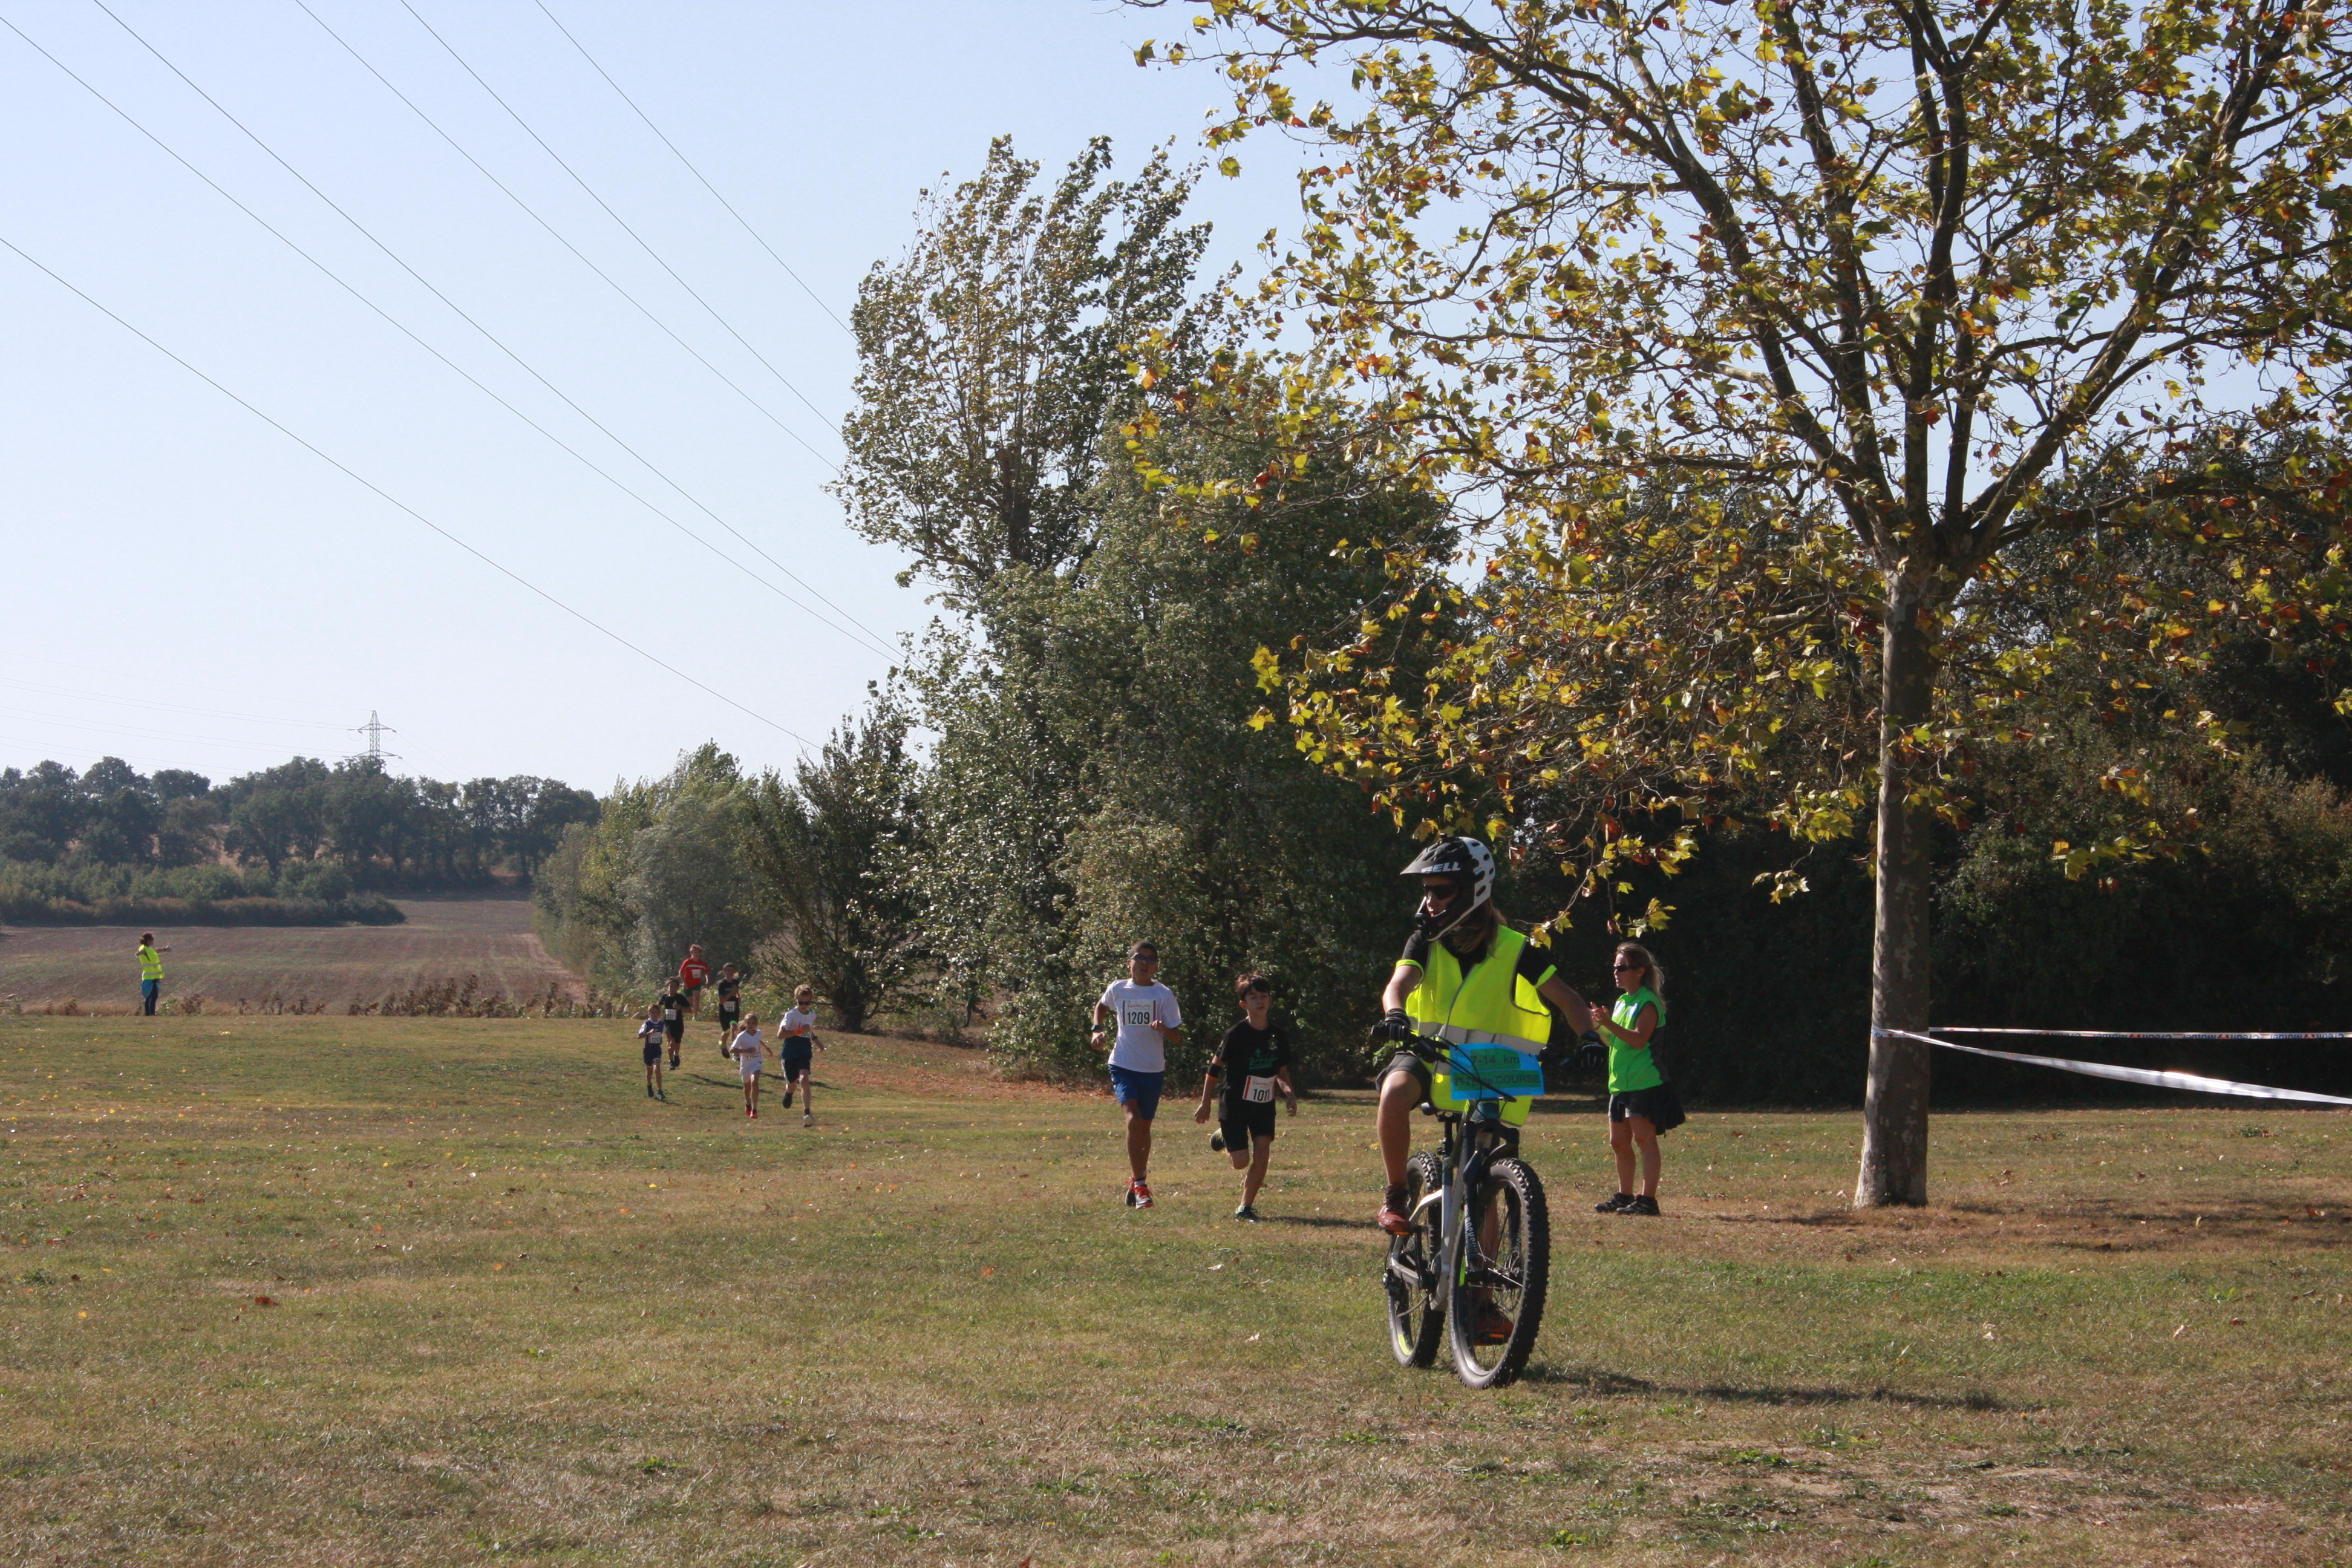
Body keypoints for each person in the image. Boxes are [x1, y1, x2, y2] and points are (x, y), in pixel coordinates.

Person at [1370, 837, 1594, 1224]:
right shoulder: (1426, 940)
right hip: (1428, 1051)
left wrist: (1589, 1038)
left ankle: (1482, 1281)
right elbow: (1398, 985)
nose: (1430, 901)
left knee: (1483, 1182)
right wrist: (1395, 1015)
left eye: (1441, 891)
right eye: (1427, 891)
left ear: (1473, 891)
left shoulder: (1516, 949)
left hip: (1490, 1069)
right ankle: (1397, 1193)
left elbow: (1569, 1000)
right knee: (1393, 1093)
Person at [1194, 972, 1298, 1221]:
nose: (1260, 1002)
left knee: (1263, 1153)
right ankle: (1224, 1137)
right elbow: (1214, 1069)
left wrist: (1289, 1093)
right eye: (1254, 997)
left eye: (1264, 996)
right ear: (1244, 1004)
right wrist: (1206, 1102)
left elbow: (1281, 1071)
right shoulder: (1236, 1034)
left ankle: (1245, 1207)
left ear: (1270, 1000)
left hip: (1263, 1104)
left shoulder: (1277, 1035)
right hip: (1235, 1103)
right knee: (1241, 1162)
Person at [1592, 942, 1684, 1215]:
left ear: (1640, 971)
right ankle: (1624, 1195)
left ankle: (1648, 1201)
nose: (1616, 972)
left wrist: (1609, 1024)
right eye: (1615, 967)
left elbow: (1638, 1039)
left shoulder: (1648, 1002)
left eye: (1622, 968)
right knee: (1618, 1142)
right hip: (1620, 1084)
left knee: (1645, 1141)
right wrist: (1598, 1026)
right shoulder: (1622, 1002)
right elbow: (1614, 1041)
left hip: (1645, 1083)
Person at [1091, 941, 1183, 1209]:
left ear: (1156, 966)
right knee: (1133, 1120)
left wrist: (1164, 1029)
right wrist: (1097, 1029)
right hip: (1122, 1064)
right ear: (1128, 963)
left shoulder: (1164, 995)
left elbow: (1177, 1037)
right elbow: (1101, 1006)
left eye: (1151, 959)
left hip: (1152, 1069)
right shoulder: (1118, 988)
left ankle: (1135, 1180)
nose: (1144, 963)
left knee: (1144, 1128)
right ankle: (1142, 1184)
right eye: (1139, 958)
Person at [777, 985, 823, 1126]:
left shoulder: (812, 1015)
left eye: (807, 1003)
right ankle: (789, 1093)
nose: (804, 1006)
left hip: (804, 1052)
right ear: (796, 1000)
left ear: (811, 1002)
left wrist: (817, 1041)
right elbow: (780, 1035)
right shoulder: (791, 1015)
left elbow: (809, 1030)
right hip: (790, 1053)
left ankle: (807, 1112)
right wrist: (798, 1031)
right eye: (801, 1003)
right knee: (792, 1084)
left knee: (804, 1079)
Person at [729, 1013, 767, 1119]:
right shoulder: (742, 1036)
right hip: (746, 1064)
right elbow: (732, 1049)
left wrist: (767, 1048)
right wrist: (746, 1051)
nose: (751, 1025)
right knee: (747, 1087)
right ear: (745, 1024)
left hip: (757, 1063)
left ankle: (754, 1110)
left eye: (753, 1023)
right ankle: (748, 1103)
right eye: (749, 1023)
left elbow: (758, 1041)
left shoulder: (759, 1033)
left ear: (756, 1024)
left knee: (755, 1081)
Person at [713, 962, 750, 1059]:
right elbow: (721, 1001)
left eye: (732, 971)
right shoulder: (722, 984)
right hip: (724, 1011)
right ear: (724, 972)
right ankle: (723, 1045)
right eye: (728, 971)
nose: (730, 973)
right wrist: (731, 992)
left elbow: (737, 993)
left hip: (734, 1010)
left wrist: (738, 997)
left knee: (734, 1029)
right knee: (727, 1031)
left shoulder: (735, 982)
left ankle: (735, 1052)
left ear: (734, 972)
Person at [637, 1003, 668, 1100]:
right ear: (649, 1014)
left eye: (657, 1013)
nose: (655, 1015)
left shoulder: (661, 1024)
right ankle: (649, 1086)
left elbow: (668, 1032)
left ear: (660, 1014)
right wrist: (649, 1033)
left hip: (657, 1049)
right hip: (648, 1050)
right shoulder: (647, 1024)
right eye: (653, 1013)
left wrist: (672, 1039)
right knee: (649, 1071)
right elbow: (639, 1036)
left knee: (657, 1068)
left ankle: (660, 1091)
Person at [136, 933, 171, 1017]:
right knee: (149, 996)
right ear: (147, 940)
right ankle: (149, 1014)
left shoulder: (149, 949)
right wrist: (139, 953)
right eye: (151, 939)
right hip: (149, 977)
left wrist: (165, 950)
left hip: (155, 976)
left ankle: (152, 1013)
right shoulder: (144, 949)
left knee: (154, 996)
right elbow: (139, 953)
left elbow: (156, 951)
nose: (153, 941)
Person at [658, 979, 690, 1071]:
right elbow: (658, 1006)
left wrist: (679, 1008)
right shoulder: (665, 997)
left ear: (677, 988)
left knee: (677, 1042)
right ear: (668, 987)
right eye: (670, 986)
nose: (672, 988)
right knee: (671, 1041)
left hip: (678, 1023)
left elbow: (690, 1010)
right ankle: (671, 1061)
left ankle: (676, 1055)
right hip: (667, 1023)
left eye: (674, 987)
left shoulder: (680, 998)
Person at [679, 945, 712, 1018]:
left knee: (696, 998)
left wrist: (707, 982)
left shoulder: (702, 963)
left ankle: (695, 1017)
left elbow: (707, 973)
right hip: (688, 984)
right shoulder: (687, 962)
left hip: (696, 984)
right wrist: (684, 982)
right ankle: (692, 1012)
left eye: (698, 952)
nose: (696, 954)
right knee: (690, 1003)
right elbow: (681, 972)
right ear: (691, 953)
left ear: (700, 953)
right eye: (694, 952)